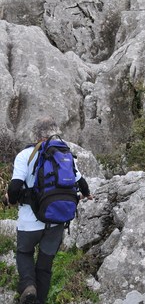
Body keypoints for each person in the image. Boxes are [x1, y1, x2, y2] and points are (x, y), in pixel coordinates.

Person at [5, 118, 92, 304]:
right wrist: (87, 194)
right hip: (57, 219)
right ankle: (40, 300)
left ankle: (29, 287)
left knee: (24, 253)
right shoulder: (64, 155)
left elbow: (14, 187)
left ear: (36, 135)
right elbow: (82, 183)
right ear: (54, 133)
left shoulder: (25, 155)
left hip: (29, 221)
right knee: (45, 267)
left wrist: (11, 200)